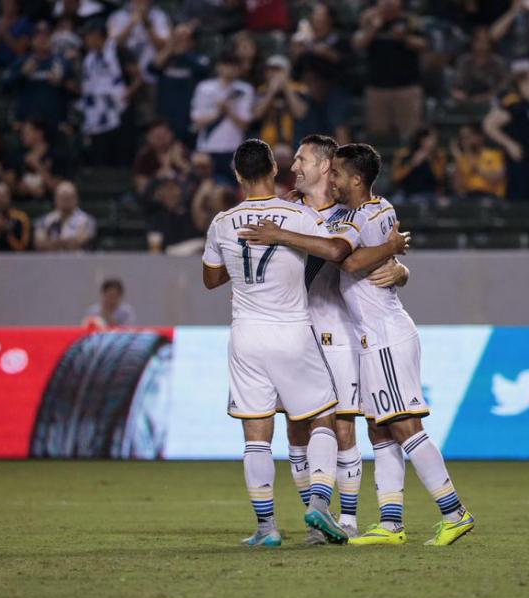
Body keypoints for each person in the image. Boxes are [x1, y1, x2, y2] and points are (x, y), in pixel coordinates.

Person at [245, 142, 474, 547]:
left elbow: (344, 257)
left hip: (382, 333)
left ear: (353, 178)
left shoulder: (358, 215)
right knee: (380, 430)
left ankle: (453, 511)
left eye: (335, 172)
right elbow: (371, 251)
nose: (330, 177)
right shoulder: (381, 207)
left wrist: (394, 259)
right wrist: (394, 256)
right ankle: (390, 522)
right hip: (371, 334)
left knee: (403, 426)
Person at [201, 138, 356, 547]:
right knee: (322, 418)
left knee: (256, 435)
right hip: (291, 329)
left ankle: (267, 528)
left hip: (246, 334)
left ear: (237, 175)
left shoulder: (221, 222)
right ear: (275, 169)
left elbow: (211, 279)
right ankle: (320, 504)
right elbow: (336, 250)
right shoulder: (297, 215)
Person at [285, 134, 410, 542]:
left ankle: (349, 517)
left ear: (325, 168)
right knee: (296, 427)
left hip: (338, 329)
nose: (293, 167)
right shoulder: (286, 211)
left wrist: (403, 271)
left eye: (301, 159)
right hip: (291, 331)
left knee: (343, 425)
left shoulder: (351, 213)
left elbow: (377, 259)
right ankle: (313, 517)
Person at [352, 0, 428, 140]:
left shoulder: (410, 20)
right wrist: (373, 29)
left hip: (406, 87)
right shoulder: (369, 20)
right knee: (378, 136)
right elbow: (358, 44)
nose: (387, 4)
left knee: (410, 135)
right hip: (377, 88)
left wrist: (404, 38)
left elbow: (424, 44)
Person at [483, 68, 529, 200]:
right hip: (522, 162)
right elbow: (489, 125)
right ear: (522, 83)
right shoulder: (514, 103)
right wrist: (510, 144)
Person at [290, 3, 352, 144]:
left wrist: (325, 52)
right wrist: (296, 53)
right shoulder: (305, 40)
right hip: (311, 91)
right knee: (310, 130)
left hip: (335, 89)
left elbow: (347, 64)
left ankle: (345, 162)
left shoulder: (340, 39)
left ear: (330, 19)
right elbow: (296, 71)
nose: (317, 20)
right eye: (315, 16)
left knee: (338, 124)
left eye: (320, 16)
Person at [79, 20, 137, 165]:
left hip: (119, 107)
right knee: (100, 149)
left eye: (88, 36)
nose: (86, 40)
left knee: (121, 148)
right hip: (97, 109)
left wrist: (128, 92)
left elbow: (138, 76)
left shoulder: (118, 51)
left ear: (97, 36)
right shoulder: (89, 58)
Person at [190, 52, 254, 182]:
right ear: (219, 67)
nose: (229, 69)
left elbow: (245, 125)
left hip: (234, 148)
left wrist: (228, 110)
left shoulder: (245, 90)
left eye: (233, 65)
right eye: (226, 64)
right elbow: (197, 121)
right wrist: (218, 112)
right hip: (207, 148)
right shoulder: (205, 88)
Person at [149, 21, 211, 146]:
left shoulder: (199, 58)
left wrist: (182, 53)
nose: (180, 41)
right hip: (165, 114)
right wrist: (170, 46)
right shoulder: (166, 57)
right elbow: (153, 68)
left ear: (192, 41)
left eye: (184, 38)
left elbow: (203, 69)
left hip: (188, 115)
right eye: (177, 38)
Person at [5, 20, 77, 129]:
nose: (42, 39)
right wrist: (22, 74)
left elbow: (77, 91)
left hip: (56, 124)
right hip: (29, 128)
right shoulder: (21, 62)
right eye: (38, 36)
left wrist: (61, 82)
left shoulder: (63, 62)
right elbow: (4, 87)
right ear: (32, 40)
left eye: (46, 35)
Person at [108, 0, 171, 87]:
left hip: (150, 78)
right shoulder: (118, 16)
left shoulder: (160, 16)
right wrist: (132, 24)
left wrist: (147, 23)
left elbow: (164, 46)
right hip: (122, 78)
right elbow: (113, 44)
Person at [252, 55, 309, 148]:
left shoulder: (300, 89)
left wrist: (286, 89)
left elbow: (300, 113)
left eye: (278, 70)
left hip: (295, 144)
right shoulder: (261, 91)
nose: (273, 73)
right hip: (265, 145)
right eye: (270, 70)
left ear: (288, 72)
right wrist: (271, 92)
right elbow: (257, 114)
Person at [450, 26, 510, 103]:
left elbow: (504, 86)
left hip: (491, 100)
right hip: (467, 99)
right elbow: (457, 84)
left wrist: (488, 96)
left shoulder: (498, 63)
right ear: (473, 42)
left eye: (485, 40)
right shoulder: (464, 61)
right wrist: (458, 93)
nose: (482, 43)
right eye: (478, 40)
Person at [144, 176, 203, 254]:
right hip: (169, 263)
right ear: (160, 193)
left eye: (173, 188)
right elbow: (155, 251)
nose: (170, 193)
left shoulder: (193, 215)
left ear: (181, 191)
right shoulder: (157, 219)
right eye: (166, 189)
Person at [391, 126, 447, 206]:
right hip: (406, 192)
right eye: (430, 139)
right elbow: (396, 177)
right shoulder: (404, 154)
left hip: (429, 193)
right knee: (393, 204)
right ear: (421, 140)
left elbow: (440, 177)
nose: (434, 142)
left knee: (419, 202)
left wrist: (430, 159)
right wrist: (412, 163)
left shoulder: (439, 155)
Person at [132, 119, 190, 194]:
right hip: (155, 197)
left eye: (163, 134)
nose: (160, 139)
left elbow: (192, 180)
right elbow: (142, 187)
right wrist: (158, 176)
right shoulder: (144, 156)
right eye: (156, 135)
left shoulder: (181, 151)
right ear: (148, 137)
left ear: (171, 134)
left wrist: (180, 163)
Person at [34, 181, 96, 251]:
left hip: (77, 259)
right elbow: (40, 243)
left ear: (76, 199)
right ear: (55, 199)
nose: (65, 201)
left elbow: (79, 242)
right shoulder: (45, 219)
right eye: (62, 197)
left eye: (68, 198)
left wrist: (52, 242)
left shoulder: (86, 220)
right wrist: (68, 242)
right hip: (50, 260)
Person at [14, 118, 67, 198]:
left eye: (27, 132)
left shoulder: (55, 155)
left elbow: (59, 188)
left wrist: (37, 165)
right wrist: (26, 189)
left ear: (39, 133)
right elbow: (15, 186)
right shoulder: (21, 155)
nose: (23, 135)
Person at [450, 124, 507, 198]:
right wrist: (458, 160)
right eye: (462, 138)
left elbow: (497, 179)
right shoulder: (462, 159)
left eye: (468, 137)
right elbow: (457, 188)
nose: (465, 141)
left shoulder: (495, 155)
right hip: (469, 197)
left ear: (480, 137)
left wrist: (476, 167)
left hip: (491, 196)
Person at [0, 0, 33, 68]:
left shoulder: (24, 23)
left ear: (17, 6)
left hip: (16, 65)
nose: (6, 6)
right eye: (4, 3)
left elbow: (20, 51)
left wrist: (5, 33)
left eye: (9, 3)